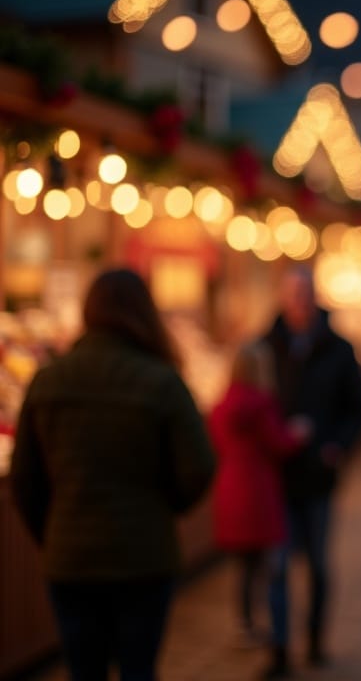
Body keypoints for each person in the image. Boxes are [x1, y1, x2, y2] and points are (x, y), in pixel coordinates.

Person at [10, 267, 215, 681]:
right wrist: (163, 510)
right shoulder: (162, 382)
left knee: (84, 671)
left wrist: (53, 532)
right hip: (143, 556)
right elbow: (199, 467)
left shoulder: (49, 380)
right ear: (145, 313)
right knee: (139, 669)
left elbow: (24, 478)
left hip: (71, 558)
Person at [262, 264, 361, 677]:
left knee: (319, 566)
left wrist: (336, 447)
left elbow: (357, 409)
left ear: (314, 297)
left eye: (304, 294)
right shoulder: (265, 345)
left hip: (319, 476)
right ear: (282, 297)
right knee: (277, 566)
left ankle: (315, 641)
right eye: (292, 294)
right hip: (277, 476)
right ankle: (279, 650)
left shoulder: (339, 348)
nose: (299, 302)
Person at [207, 339, 308, 647]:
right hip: (259, 490)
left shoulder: (222, 405)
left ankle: (244, 624)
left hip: (230, 487)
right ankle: (274, 628)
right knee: (269, 565)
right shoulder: (262, 403)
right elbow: (279, 443)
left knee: (242, 566)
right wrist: (299, 434)